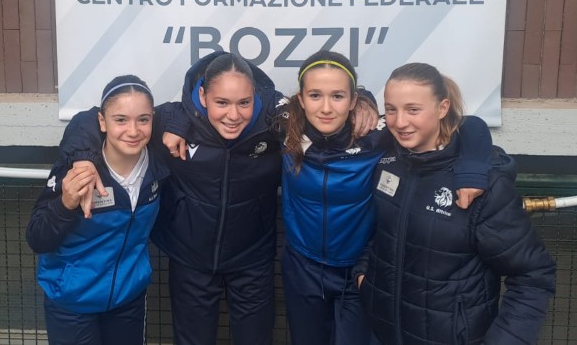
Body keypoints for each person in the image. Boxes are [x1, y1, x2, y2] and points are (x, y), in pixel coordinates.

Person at [63, 51, 378, 345]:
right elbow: (90, 119)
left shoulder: (275, 120)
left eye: (244, 103)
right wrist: (83, 157)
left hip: (253, 261)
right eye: (222, 102)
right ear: (202, 96)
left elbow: (327, 109)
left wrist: (364, 101)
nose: (233, 115)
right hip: (190, 261)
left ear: (255, 97)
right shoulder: (174, 119)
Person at [279, 52, 494, 345]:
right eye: (315, 95)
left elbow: (470, 125)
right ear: (301, 99)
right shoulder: (284, 128)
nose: (326, 108)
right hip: (302, 267)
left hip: (359, 270)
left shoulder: (375, 133)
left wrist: (472, 170)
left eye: (338, 96)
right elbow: (237, 81)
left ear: (353, 101)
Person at [356, 63, 556, 345]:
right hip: (383, 333)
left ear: (442, 108)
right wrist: (364, 276)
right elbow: (377, 231)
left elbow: (533, 275)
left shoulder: (483, 185)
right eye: (391, 109)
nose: (399, 122)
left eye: (413, 110)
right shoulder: (386, 160)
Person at [25, 76, 170, 345]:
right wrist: (65, 204)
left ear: (153, 119)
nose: (133, 130)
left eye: (143, 120)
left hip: (128, 300)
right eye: (121, 120)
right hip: (72, 304)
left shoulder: (159, 164)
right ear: (102, 122)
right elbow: (37, 237)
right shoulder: (77, 169)